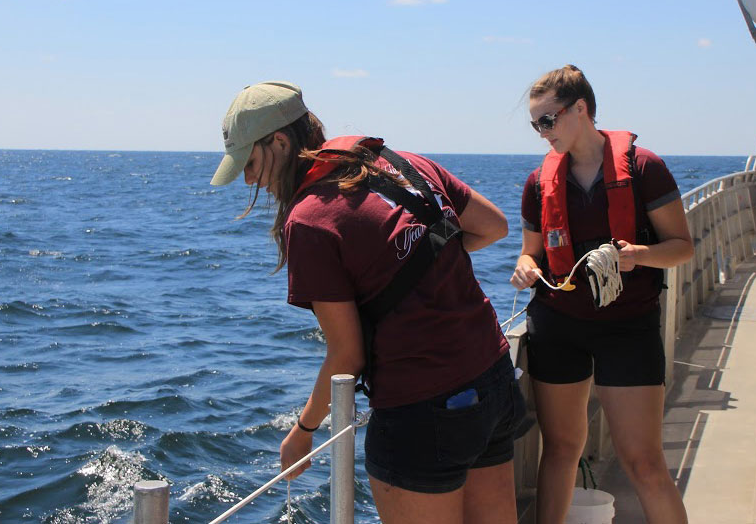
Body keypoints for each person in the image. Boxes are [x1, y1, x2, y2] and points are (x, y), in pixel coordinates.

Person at [210, 81, 525, 524]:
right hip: (493, 378)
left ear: (279, 142)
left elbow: (347, 354)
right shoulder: (404, 162)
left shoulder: (310, 220)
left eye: (249, 161)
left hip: (424, 409)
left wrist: (302, 433)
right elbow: (494, 226)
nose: (248, 178)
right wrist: (422, 263)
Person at [509, 65, 692, 524]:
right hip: (558, 326)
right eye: (535, 124)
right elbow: (529, 254)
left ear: (581, 110)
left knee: (644, 462)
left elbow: (682, 248)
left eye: (547, 120)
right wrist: (525, 268)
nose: (541, 133)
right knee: (562, 449)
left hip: (627, 326)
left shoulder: (645, 168)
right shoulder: (538, 183)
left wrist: (639, 256)